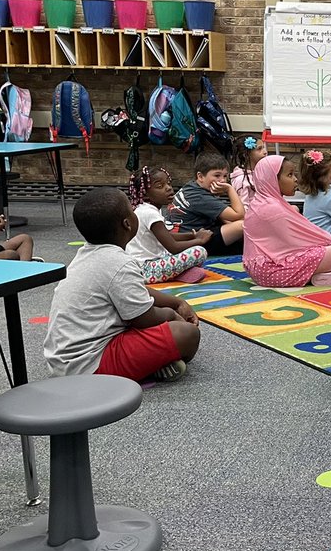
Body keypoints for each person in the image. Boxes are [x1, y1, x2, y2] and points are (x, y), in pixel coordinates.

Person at [44, 187, 200, 382]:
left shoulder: (89, 254)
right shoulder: (119, 262)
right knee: (187, 334)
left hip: (66, 362)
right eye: (131, 210)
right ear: (127, 223)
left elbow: (137, 291)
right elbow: (144, 319)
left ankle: (154, 362)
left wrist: (175, 302)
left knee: (155, 324)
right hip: (90, 366)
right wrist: (172, 314)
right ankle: (155, 365)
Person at [243, 153, 331, 288]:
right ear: (272, 179)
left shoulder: (260, 203)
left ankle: (320, 277)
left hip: (260, 271)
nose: (295, 180)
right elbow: (307, 235)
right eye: (290, 175)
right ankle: (321, 271)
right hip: (273, 271)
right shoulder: (273, 208)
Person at [126, 165, 210, 284]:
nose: (169, 188)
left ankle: (178, 274)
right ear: (145, 194)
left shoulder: (145, 209)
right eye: (160, 186)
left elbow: (166, 236)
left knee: (172, 253)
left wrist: (192, 235)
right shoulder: (149, 213)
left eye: (168, 184)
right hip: (146, 269)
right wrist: (199, 241)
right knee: (199, 252)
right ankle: (175, 274)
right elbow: (173, 247)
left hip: (142, 265)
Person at [170, 151, 244, 256]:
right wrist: (230, 189)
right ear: (200, 176)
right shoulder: (200, 197)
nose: (222, 180)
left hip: (191, 234)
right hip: (193, 242)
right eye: (217, 175)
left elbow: (222, 216)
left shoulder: (191, 187)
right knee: (242, 226)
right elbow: (239, 215)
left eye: (225, 176)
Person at [230, 134, 269, 208]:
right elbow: (243, 207)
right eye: (259, 149)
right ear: (246, 154)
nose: (265, 152)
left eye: (263, 148)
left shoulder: (259, 172)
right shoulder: (241, 180)